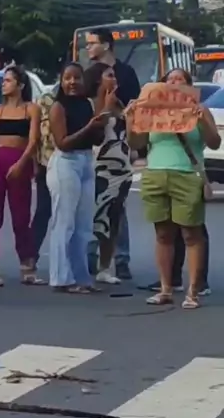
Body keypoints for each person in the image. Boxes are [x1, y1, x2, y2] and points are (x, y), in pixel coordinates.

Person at [128, 67, 220, 309]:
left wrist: (202, 118)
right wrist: (131, 119)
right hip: (156, 173)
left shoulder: (199, 109)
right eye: (170, 79)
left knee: (191, 234)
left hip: (187, 174)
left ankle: (193, 291)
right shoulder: (152, 110)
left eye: (180, 79)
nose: (175, 82)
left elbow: (214, 143)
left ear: (189, 86)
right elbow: (136, 143)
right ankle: (166, 288)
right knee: (163, 234)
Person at [85, 27, 140, 280]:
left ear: (106, 45)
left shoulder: (126, 73)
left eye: (92, 43)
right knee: (93, 207)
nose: (88, 47)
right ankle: (90, 257)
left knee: (116, 207)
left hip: (119, 148)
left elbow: (135, 110)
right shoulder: (87, 75)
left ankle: (120, 259)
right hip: (96, 152)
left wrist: (135, 147)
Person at [47, 62, 107, 293]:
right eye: (67, 78)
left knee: (83, 225)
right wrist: (89, 127)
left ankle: (81, 277)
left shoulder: (87, 104)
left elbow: (97, 139)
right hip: (66, 163)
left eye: (77, 78)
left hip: (86, 161)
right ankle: (61, 277)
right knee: (64, 223)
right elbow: (63, 142)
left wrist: (100, 123)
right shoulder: (58, 107)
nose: (72, 82)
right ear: (61, 82)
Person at [0, 65, 42, 286]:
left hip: (19, 160)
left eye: (8, 80)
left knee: (21, 216)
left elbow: (33, 141)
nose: (4, 84)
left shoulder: (31, 109)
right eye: (4, 80)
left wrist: (22, 163)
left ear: (20, 85)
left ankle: (26, 264)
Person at [31, 83, 58, 265]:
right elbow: (36, 136)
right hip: (46, 163)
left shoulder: (84, 101)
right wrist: (35, 162)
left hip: (73, 162)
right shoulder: (46, 101)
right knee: (43, 210)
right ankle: (31, 255)